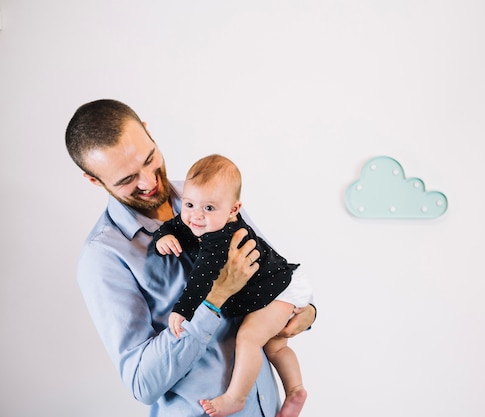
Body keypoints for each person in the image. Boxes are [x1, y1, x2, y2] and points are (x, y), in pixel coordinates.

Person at [65, 99, 317, 417]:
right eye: (126, 179)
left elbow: (269, 270)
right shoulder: (102, 257)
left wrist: (306, 313)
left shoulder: (210, 194)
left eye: (149, 159)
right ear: (94, 181)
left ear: (148, 132)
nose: (147, 181)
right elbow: (142, 384)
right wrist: (212, 303)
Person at [154, 154, 311, 417]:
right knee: (275, 346)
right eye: (189, 204)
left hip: (281, 291)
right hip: (279, 285)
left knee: (248, 338)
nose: (195, 216)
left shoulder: (223, 238)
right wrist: (164, 235)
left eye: (209, 208)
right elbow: (176, 224)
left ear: (233, 210)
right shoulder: (195, 219)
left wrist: (182, 309)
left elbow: (202, 279)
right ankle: (296, 390)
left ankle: (235, 398)